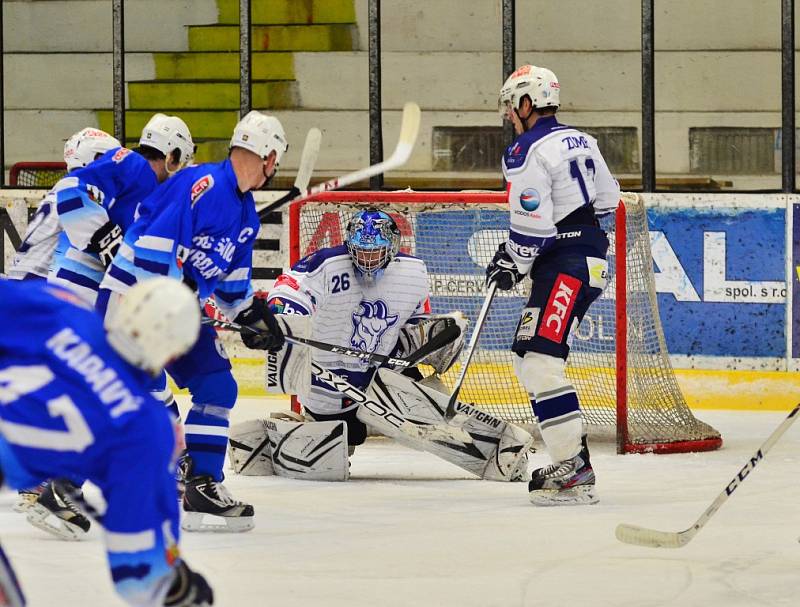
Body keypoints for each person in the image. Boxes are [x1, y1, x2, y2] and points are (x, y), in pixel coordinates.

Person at [97, 110, 288, 533]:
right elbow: (151, 238)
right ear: (269, 156)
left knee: (217, 384)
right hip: (133, 301)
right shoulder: (201, 183)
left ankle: (202, 487)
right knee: (134, 396)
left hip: (179, 310)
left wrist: (252, 315)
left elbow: (230, 287)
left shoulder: (247, 217)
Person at [0, 276, 214, 606]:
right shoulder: (147, 427)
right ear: (176, 353)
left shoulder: (61, 308)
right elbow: (136, 579)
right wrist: (178, 587)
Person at [489, 64, 620, 506]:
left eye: (512, 106)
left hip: (566, 264)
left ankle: (573, 471)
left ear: (527, 103)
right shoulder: (584, 140)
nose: (510, 115)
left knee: (542, 361)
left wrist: (514, 260)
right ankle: (571, 460)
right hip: (583, 258)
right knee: (529, 356)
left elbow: (532, 225)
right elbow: (609, 200)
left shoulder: (525, 149)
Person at [50, 114, 195, 306]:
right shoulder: (132, 163)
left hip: (105, 294)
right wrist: (105, 238)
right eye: (182, 162)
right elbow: (69, 188)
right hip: (75, 283)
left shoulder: (162, 199)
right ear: (173, 156)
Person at [6, 127, 121, 282]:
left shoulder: (67, 188)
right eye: (112, 159)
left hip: (26, 280)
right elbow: (109, 249)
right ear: (95, 158)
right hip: (37, 285)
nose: (117, 166)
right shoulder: (78, 192)